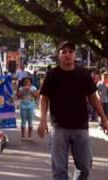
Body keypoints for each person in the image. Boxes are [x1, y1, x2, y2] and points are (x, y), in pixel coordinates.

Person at [37, 41, 108, 180]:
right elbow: (44, 98)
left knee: (85, 167)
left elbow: (93, 98)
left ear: (75, 55)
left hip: (80, 127)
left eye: (71, 52)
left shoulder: (84, 74)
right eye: (64, 52)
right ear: (59, 56)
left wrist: (104, 119)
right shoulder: (52, 75)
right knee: (59, 171)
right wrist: (42, 120)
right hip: (59, 128)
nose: (67, 55)